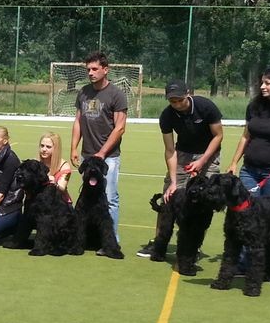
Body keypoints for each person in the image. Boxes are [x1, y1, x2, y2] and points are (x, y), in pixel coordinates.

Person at [137, 81, 223, 257]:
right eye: (172, 101)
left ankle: (195, 246)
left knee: (205, 201)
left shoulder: (206, 107)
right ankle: (159, 242)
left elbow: (218, 135)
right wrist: (173, 181)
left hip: (208, 154)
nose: (176, 104)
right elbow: (170, 150)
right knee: (168, 198)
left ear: (188, 94)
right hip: (182, 153)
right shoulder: (167, 116)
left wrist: (202, 161)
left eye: (179, 100)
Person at [70, 51, 127, 237]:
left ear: (105, 69)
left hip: (108, 157)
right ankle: (86, 237)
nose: (90, 73)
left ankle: (111, 241)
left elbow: (120, 128)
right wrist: (74, 148)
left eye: (95, 69)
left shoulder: (116, 95)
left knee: (109, 197)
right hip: (87, 156)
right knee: (87, 197)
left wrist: (101, 154)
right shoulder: (83, 92)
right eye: (88, 69)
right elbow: (78, 121)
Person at [227, 67, 270, 198]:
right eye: (262, 83)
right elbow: (245, 136)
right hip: (248, 171)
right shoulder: (254, 106)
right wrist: (234, 162)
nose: (262, 87)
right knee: (246, 208)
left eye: (267, 83)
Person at [38, 131, 73, 204]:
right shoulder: (36, 163)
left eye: (48, 147)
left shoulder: (64, 166)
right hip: (39, 202)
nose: (44, 149)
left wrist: (54, 183)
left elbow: (62, 187)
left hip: (59, 203)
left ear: (56, 148)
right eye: (42, 146)